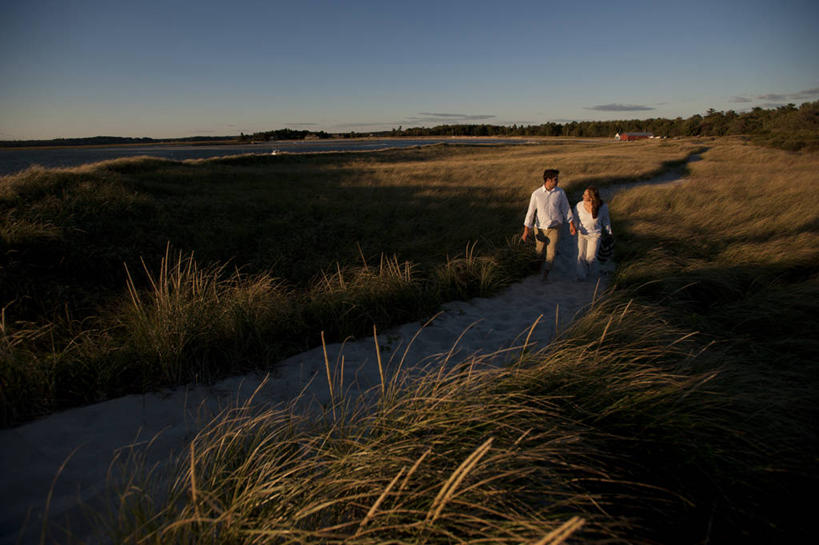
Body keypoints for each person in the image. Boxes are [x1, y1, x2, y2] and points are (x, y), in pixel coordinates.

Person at [521, 169, 576, 280]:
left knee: (551, 254)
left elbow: (566, 208)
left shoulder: (560, 192)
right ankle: (536, 269)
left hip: (555, 228)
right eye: (555, 179)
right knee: (539, 252)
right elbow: (530, 213)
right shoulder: (536, 194)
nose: (557, 181)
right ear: (548, 180)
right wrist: (526, 231)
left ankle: (545, 275)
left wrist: (571, 224)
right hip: (540, 229)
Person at [573, 186, 612, 280]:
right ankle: (581, 276)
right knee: (580, 257)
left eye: (585, 195)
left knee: (591, 258)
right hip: (582, 234)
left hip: (595, 235)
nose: (583, 196)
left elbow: (606, 221)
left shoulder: (602, 207)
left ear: (591, 197)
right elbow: (575, 220)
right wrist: (574, 227)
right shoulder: (579, 205)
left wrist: (609, 232)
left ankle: (594, 275)